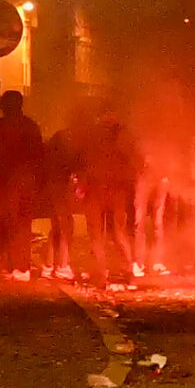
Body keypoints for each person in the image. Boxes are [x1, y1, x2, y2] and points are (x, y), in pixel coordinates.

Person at [0, 91, 45, 281]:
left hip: (7, 181)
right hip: (27, 181)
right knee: (24, 224)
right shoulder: (31, 125)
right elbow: (39, 154)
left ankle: (10, 264)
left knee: (9, 223)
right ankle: (22, 266)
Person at [79, 109, 140, 288]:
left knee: (96, 235)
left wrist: (82, 186)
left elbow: (85, 163)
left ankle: (102, 274)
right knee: (119, 233)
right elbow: (132, 166)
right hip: (116, 192)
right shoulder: (124, 139)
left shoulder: (92, 138)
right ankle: (128, 272)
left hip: (96, 190)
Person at [40, 127, 80, 280]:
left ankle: (48, 265)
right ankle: (62, 266)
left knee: (57, 228)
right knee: (66, 227)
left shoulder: (49, 155)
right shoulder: (63, 157)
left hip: (50, 192)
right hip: (59, 192)